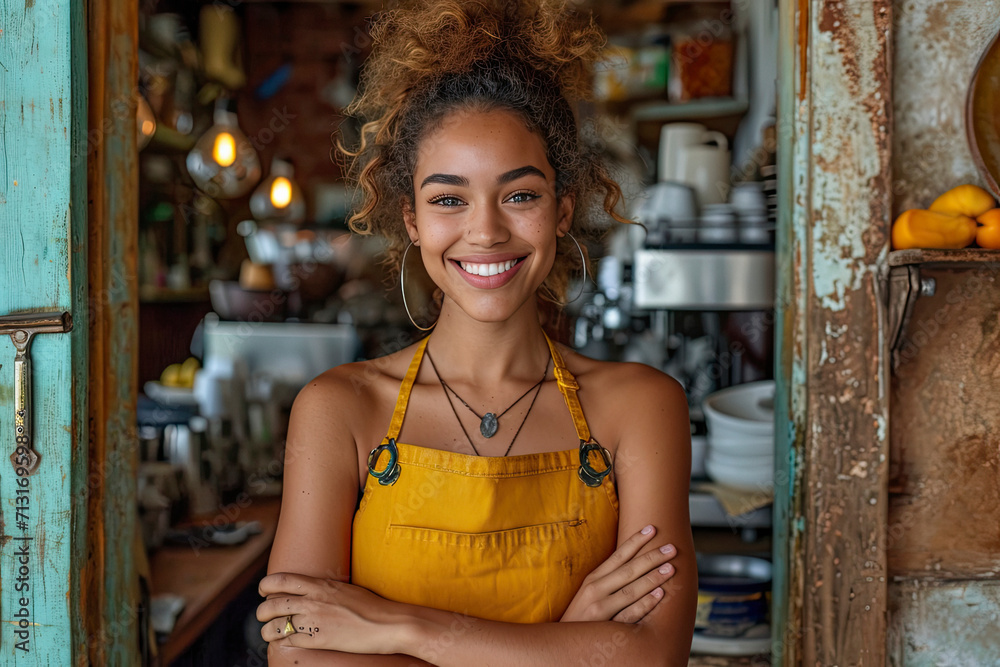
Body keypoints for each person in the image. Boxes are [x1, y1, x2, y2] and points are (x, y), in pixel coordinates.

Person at [256, 1, 697, 664]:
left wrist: (400, 628)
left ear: (560, 209)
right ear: (410, 218)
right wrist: (567, 642)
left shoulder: (641, 406)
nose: (485, 230)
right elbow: (296, 654)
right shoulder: (339, 410)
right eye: (448, 198)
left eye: (519, 195)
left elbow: (651, 655)